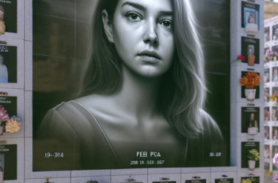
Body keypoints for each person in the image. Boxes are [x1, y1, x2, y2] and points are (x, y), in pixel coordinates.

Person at [36, 0, 224, 169]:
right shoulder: (68, 124)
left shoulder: (204, 129)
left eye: (166, 23)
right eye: (134, 16)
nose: (151, 36)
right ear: (108, 26)